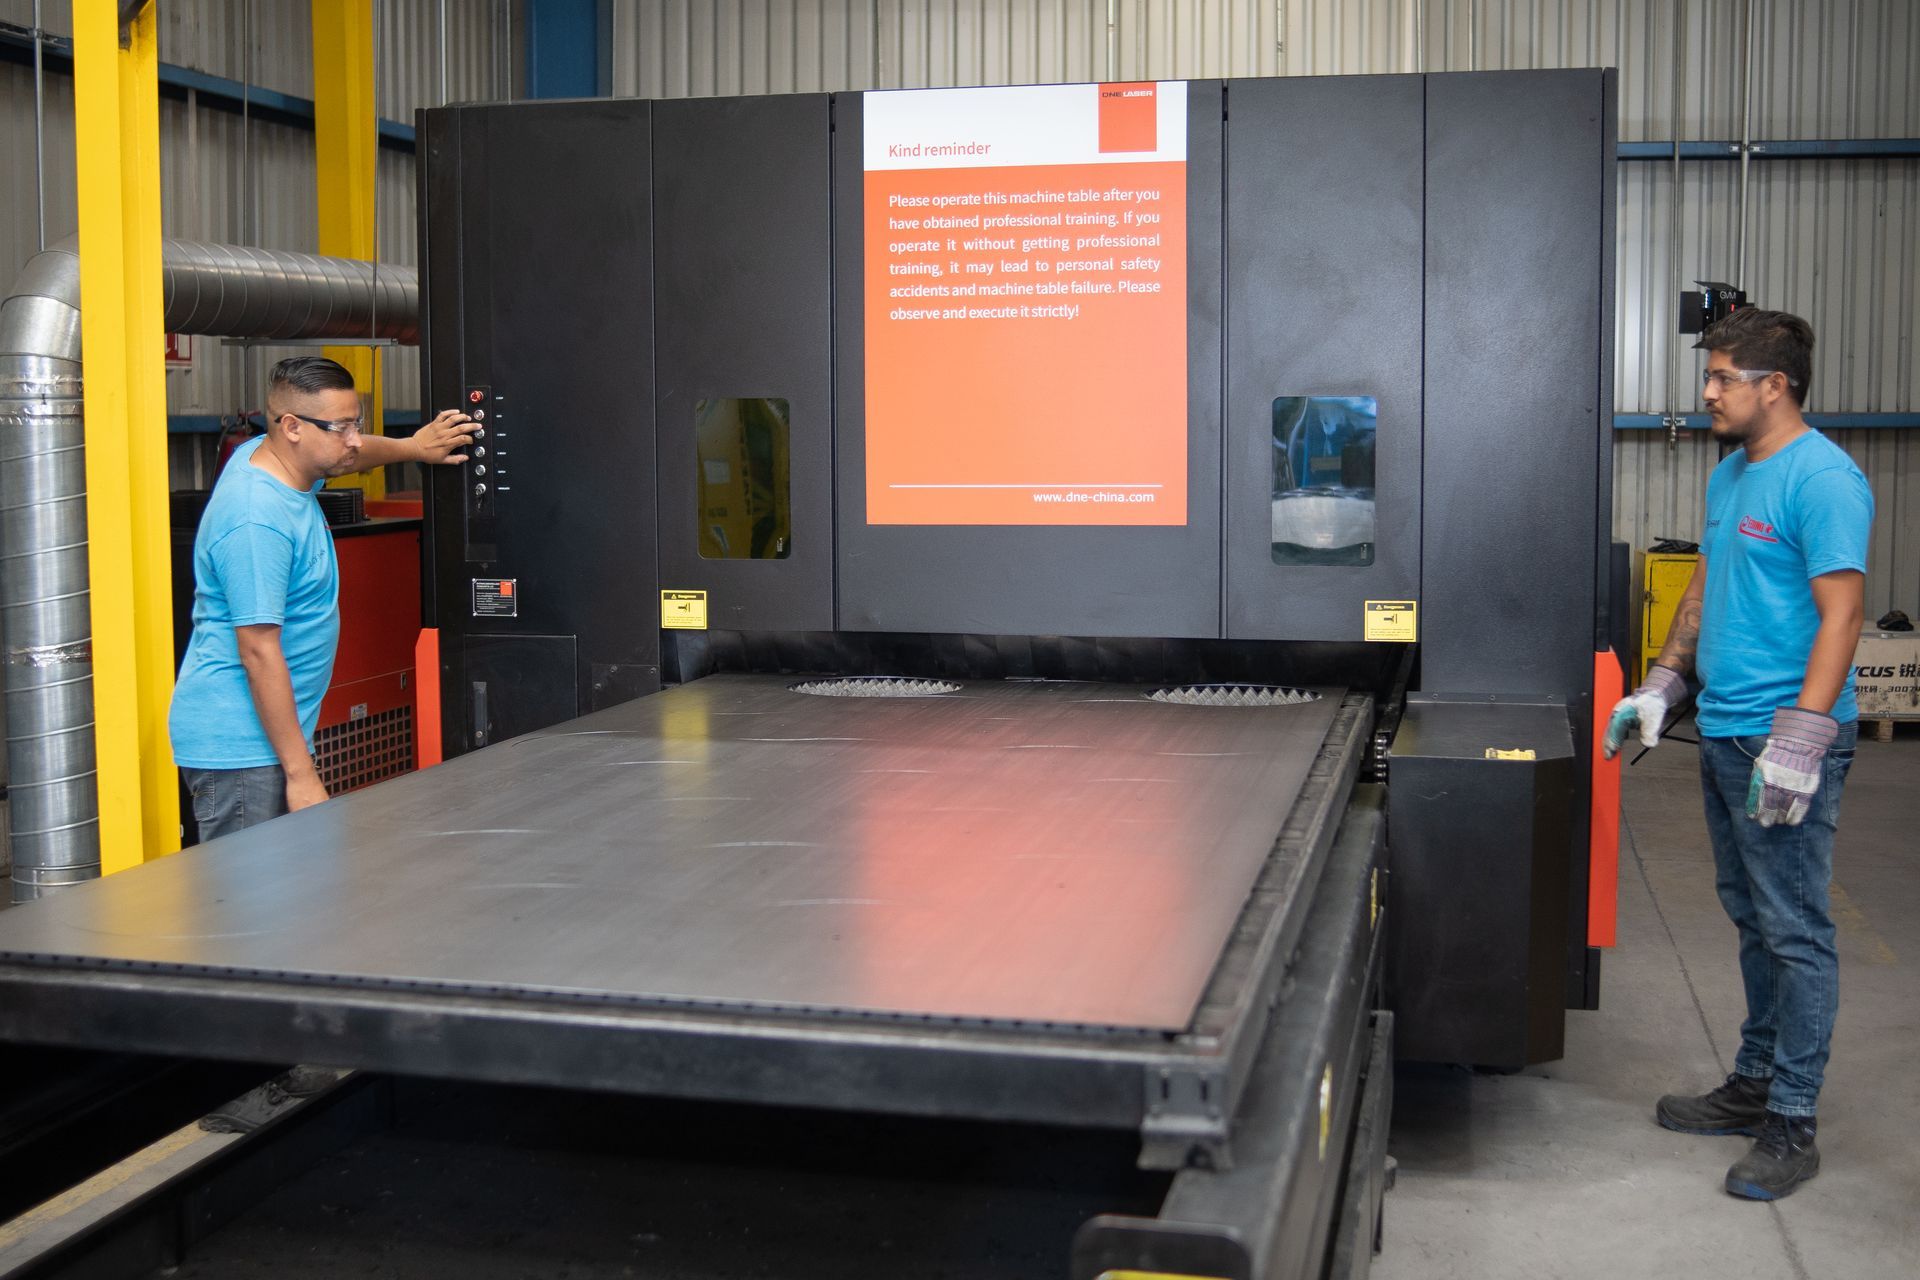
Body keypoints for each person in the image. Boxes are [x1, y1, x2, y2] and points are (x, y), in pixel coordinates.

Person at [1604, 308, 1872, 1201]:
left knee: (1795, 930)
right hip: (1724, 729)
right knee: (1754, 918)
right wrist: (1663, 683)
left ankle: (1792, 1121)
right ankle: (1756, 1081)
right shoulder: (1731, 473)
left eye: (1723, 377)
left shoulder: (1824, 480)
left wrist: (1802, 737)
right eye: (1710, 375)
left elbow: (1843, 614)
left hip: (1782, 739)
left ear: (1776, 385)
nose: (1708, 392)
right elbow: (1709, 582)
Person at [169, 356, 476, 839]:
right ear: (292, 426)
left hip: (271, 739)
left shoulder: (277, 460)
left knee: (293, 879)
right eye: (341, 427)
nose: (354, 439)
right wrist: (301, 774)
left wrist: (415, 447)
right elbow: (258, 650)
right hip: (244, 751)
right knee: (257, 886)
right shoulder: (255, 517)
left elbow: (351, 455)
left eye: (356, 423)